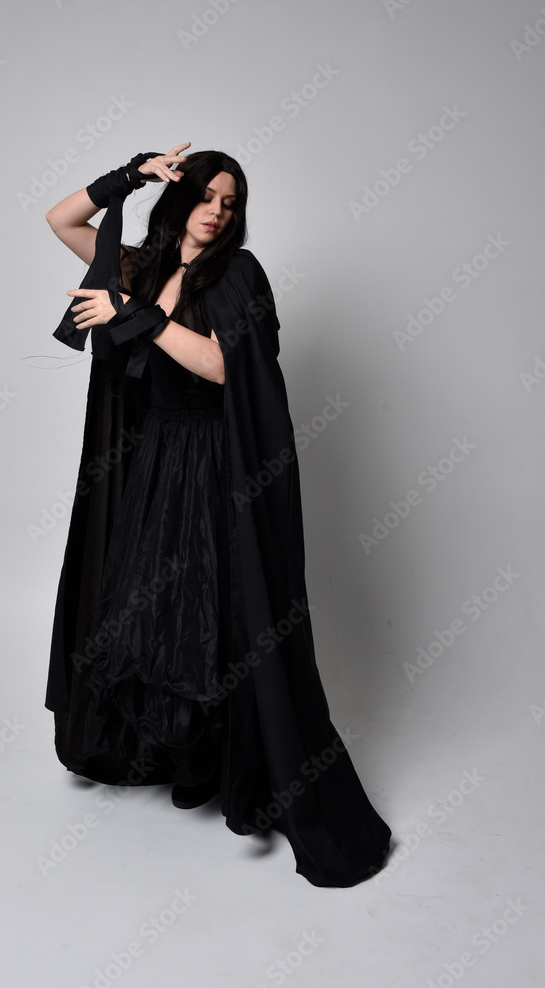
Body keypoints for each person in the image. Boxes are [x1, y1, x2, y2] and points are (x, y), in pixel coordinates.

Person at [43, 143, 392, 888]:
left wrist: (136, 317)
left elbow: (225, 365)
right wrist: (130, 176)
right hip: (155, 463)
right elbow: (62, 219)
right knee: (151, 612)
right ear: (184, 197)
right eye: (207, 195)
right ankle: (181, 755)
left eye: (229, 203)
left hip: (215, 465)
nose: (216, 212)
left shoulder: (238, 274)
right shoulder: (146, 265)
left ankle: (225, 766)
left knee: (214, 614)